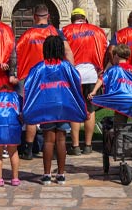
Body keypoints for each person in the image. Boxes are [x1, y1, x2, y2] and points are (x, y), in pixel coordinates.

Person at [22, 35, 87, 185]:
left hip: (46, 107)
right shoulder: (67, 67)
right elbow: (76, 82)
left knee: (48, 140)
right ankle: (61, 174)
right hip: (63, 107)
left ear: (45, 50)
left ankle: (46, 175)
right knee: (61, 140)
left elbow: (29, 85)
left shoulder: (39, 68)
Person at [16, 4, 74, 160]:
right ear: (48, 16)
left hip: (31, 76)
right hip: (53, 75)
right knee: (53, 110)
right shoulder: (56, 32)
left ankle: (28, 149)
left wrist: (17, 74)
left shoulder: (27, 34)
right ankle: (55, 148)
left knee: (32, 111)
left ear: (34, 17)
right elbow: (68, 51)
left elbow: (17, 53)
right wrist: (70, 70)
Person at [62, 7, 107, 155]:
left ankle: (75, 146)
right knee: (90, 109)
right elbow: (106, 50)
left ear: (72, 19)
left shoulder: (66, 31)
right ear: (85, 18)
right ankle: (88, 145)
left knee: (74, 109)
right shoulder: (97, 31)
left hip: (74, 74)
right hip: (92, 74)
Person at [0, 85, 23, 187]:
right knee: (14, 152)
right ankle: (15, 178)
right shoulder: (17, 97)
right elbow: (21, 113)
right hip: (13, 126)